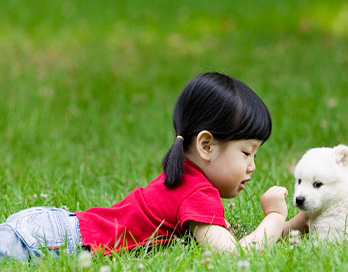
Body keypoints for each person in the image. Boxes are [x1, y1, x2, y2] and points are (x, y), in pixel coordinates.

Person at [0, 72, 308, 261]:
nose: (252, 166)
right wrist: (275, 215)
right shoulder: (196, 192)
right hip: (54, 243)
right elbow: (233, 256)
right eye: (246, 153)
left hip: (55, 230)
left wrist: (301, 222)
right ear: (206, 145)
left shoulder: (189, 181)